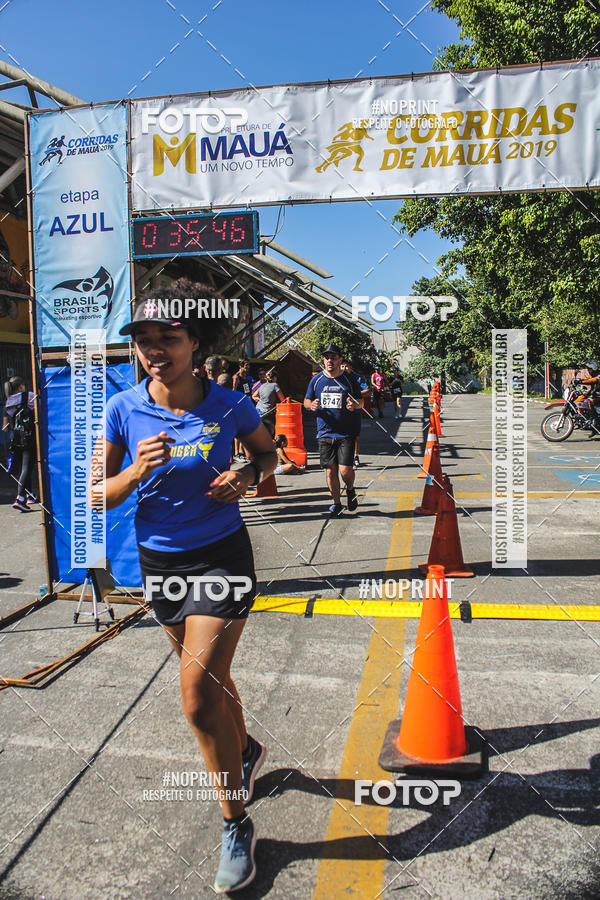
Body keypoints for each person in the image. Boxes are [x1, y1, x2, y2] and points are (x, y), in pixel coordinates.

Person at [93, 292, 277, 893]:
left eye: (167, 338)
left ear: (194, 344)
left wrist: (248, 476)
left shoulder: (229, 405)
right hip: (160, 563)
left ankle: (235, 824)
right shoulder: (123, 408)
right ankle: (244, 749)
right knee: (214, 683)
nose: (154, 350)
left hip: (222, 556)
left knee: (197, 696)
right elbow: (97, 494)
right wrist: (133, 473)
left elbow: (270, 458)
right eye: (143, 340)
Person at [304, 345, 364, 516]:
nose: (330, 360)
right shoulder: (316, 381)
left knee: (345, 470)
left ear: (339, 360)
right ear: (323, 360)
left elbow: (361, 402)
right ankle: (336, 503)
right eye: (326, 357)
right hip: (324, 433)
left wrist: (355, 405)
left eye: (333, 357)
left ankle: (350, 489)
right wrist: (311, 405)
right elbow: (306, 401)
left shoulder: (349, 379)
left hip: (345, 432)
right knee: (330, 471)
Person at [2, 376, 37, 511]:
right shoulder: (28, 396)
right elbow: (40, 409)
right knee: (27, 468)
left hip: (15, 438)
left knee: (24, 467)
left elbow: (6, 423)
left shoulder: (9, 401)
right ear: (21, 386)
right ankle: (20, 498)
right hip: (28, 438)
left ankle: (29, 495)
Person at [341, 360, 369, 467]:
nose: (344, 368)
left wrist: (355, 394)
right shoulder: (337, 378)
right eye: (342, 366)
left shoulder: (358, 378)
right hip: (341, 411)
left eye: (346, 366)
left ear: (351, 367)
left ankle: (355, 455)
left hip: (355, 410)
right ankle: (344, 456)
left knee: (355, 435)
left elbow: (367, 390)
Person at [233, 360, 254, 460]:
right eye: (246, 365)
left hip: (245, 404)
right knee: (238, 429)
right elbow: (233, 391)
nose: (248, 367)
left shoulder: (246, 378)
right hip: (238, 405)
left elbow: (247, 392)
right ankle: (237, 452)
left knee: (244, 428)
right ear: (240, 366)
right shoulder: (237, 377)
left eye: (248, 365)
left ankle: (241, 451)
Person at [254, 369, 284, 436]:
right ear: (274, 378)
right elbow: (283, 400)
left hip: (256, 411)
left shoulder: (262, 386)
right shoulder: (275, 385)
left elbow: (254, 395)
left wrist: (258, 399)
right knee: (272, 431)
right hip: (266, 413)